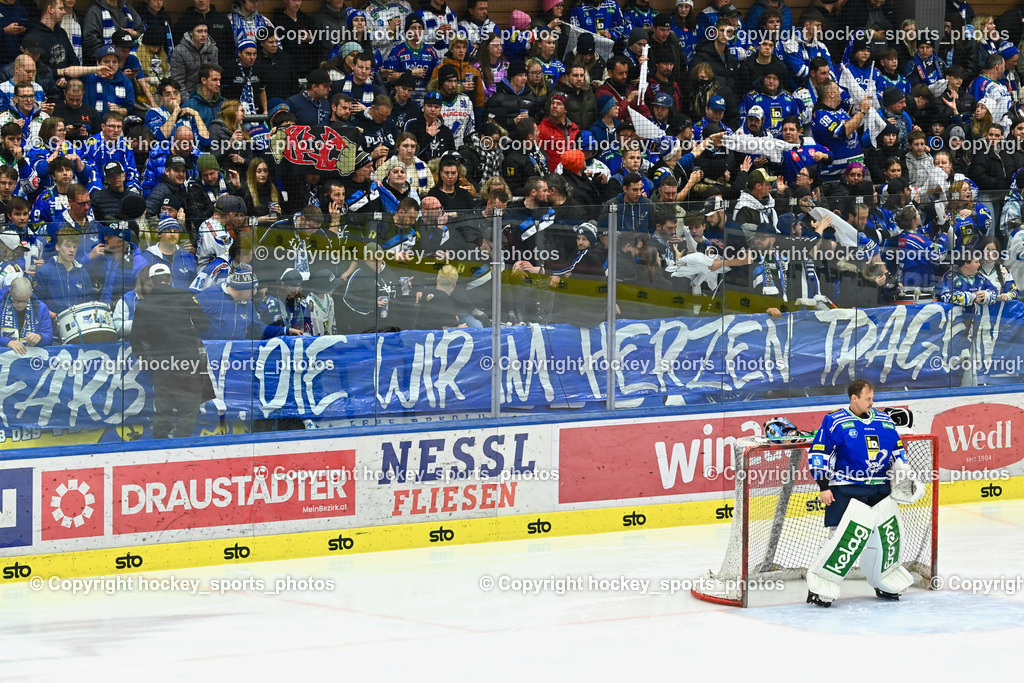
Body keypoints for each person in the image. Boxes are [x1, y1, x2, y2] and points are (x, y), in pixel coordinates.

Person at [805, 379, 924, 607]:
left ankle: (884, 578)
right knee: (841, 538)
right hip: (846, 487)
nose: (872, 402)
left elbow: (897, 453)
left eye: (872, 398)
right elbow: (820, 452)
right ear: (854, 398)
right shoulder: (835, 421)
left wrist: (904, 479)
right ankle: (821, 585)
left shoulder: (884, 421)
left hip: (879, 488)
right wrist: (824, 486)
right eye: (868, 398)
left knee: (886, 536)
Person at [131, 264, 214, 439]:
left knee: (163, 412)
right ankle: (182, 449)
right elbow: (204, 325)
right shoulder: (185, 296)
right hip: (188, 361)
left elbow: (136, 342)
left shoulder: (144, 305)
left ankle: (159, 452)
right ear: (170, 279)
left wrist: (149, 360)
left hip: (162, 364)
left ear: (151, 282)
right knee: (188, 411)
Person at [0, 276, 53, 354]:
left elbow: (49, 336)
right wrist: (7, 342)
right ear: (10, 291)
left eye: (24, 301)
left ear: (31, 293)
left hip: (29, 357)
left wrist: (40, 337)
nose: (20, 305)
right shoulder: (1, 305)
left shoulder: (41, 307)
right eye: (16, 300)